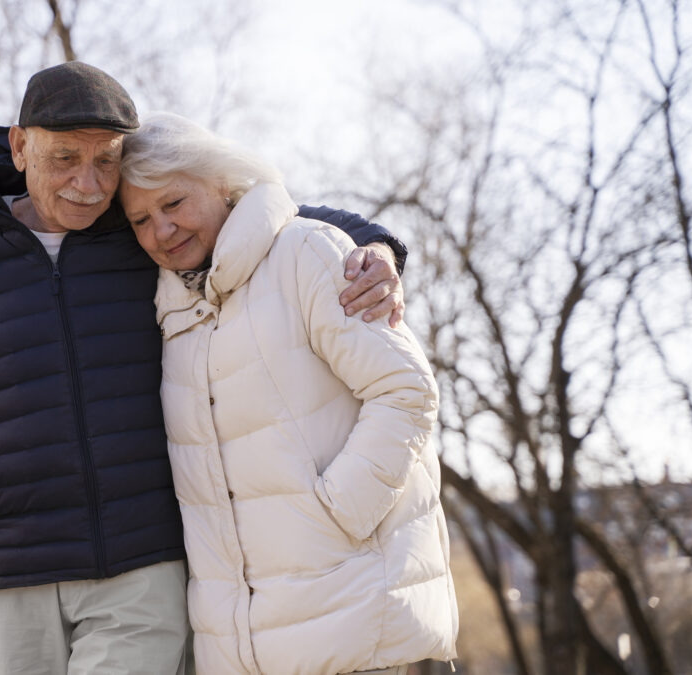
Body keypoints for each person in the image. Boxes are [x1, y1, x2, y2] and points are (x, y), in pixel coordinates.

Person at [0, 62, 407, 675]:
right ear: (20, 146)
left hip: (143, 564)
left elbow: (269, 218)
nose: (88, 183)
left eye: (106, 160)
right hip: (9, 567)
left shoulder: (142, 227)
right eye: (65, 159)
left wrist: (376, 250)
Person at [118, 112, 458, 675]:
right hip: (246, 654)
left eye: (174, 204)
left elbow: (406, 390)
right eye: (140, 221)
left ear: (222, 183)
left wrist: (337, 514)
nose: (161, 231)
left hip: (357, 632)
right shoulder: (172, 314)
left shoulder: (307, 254)